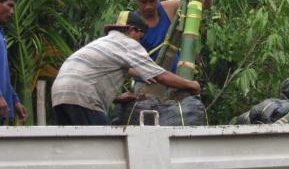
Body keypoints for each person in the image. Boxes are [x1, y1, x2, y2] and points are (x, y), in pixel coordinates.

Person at [51, 11, 201, 126]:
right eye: (140, 37)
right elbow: (159, 75)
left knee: (74, 150)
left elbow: (124, 71)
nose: (140, 42)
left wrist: (117, 98)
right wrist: (190, 84)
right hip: (82, 97)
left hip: (59, 95)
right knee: (104, 146)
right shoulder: (128, 43)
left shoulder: (103, 42)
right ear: (132, 30)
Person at [132, 0, 213, 71]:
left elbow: (205, 5)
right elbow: (126, 64)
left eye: (152, 1)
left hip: (177, 80)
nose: (148, 7)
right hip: (149, 84)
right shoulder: (131, 24)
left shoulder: (170, 8)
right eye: (143, 2)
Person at [0, 0, 27, 124]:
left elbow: (3, 76)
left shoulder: (2, 36)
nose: (12, 12)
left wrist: (15, 101)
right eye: (9, 6)